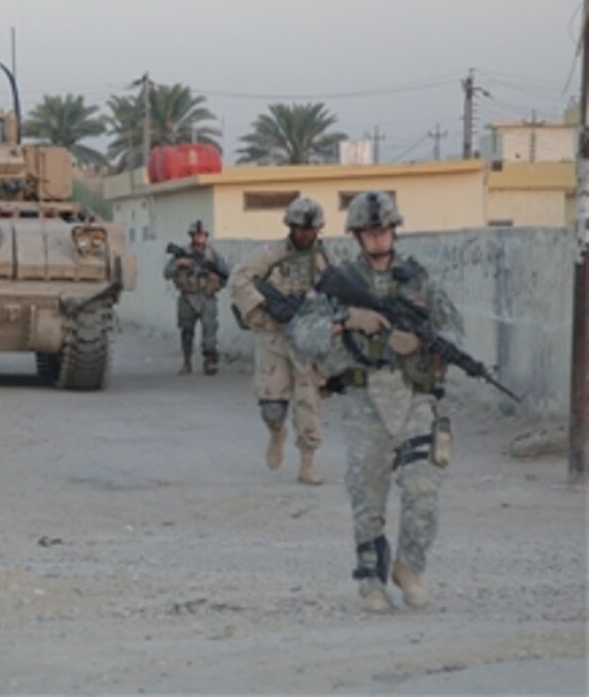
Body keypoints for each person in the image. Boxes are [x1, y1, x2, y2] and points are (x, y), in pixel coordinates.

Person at [286, 191, 463, 613]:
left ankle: (410, 567)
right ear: (357, 236)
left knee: (424, 488)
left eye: (384, 230)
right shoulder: (341, 281)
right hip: (366, 397)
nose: (378, 239)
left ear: (394, 231)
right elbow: (299, 333)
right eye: (370, 232)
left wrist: (419, 340)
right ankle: (370, 581)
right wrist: (345, 320)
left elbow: (454, 332)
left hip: (414, 397)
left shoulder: (419, 280)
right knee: (367, 493)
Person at [228, 196, 331, 485]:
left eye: (310, 230)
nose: (304, 234)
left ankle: (307, 464)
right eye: (299, 228)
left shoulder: (325, 260)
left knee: (308, 403)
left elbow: (337, 296)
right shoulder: (270, 254)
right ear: (290, 227)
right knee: (272, 408)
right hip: (273, 336)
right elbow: (239, 279)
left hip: (306, 342)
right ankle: (277, 433)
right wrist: (265, 306)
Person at [163, 220, 227, 375]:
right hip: (187, 297)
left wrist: (215, 279)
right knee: (186, 331)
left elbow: (225, 275)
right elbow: (166, 273)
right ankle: (187, 362)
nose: (200, 237)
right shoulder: (182, 253)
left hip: (207, 296)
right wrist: (180, 263)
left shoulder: (213, 255)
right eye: (197, 234)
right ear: (192, 236)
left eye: (203, 234)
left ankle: (210, 360)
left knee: (210, 330)